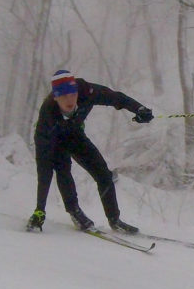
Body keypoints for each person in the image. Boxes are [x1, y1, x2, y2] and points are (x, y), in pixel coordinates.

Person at [27, 69, 154, 233]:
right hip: (51, 139)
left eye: (72, 94)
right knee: (62, 170)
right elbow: (44, 171)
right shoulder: (48, 114)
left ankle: (115, 220)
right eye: (64, 96)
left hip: (74, 134)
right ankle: (74, 211)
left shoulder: (86, 91)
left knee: (103, 174)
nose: (70, 100)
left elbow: (115, 97)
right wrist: (40, 210)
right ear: (55, 96)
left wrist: (139, 109)